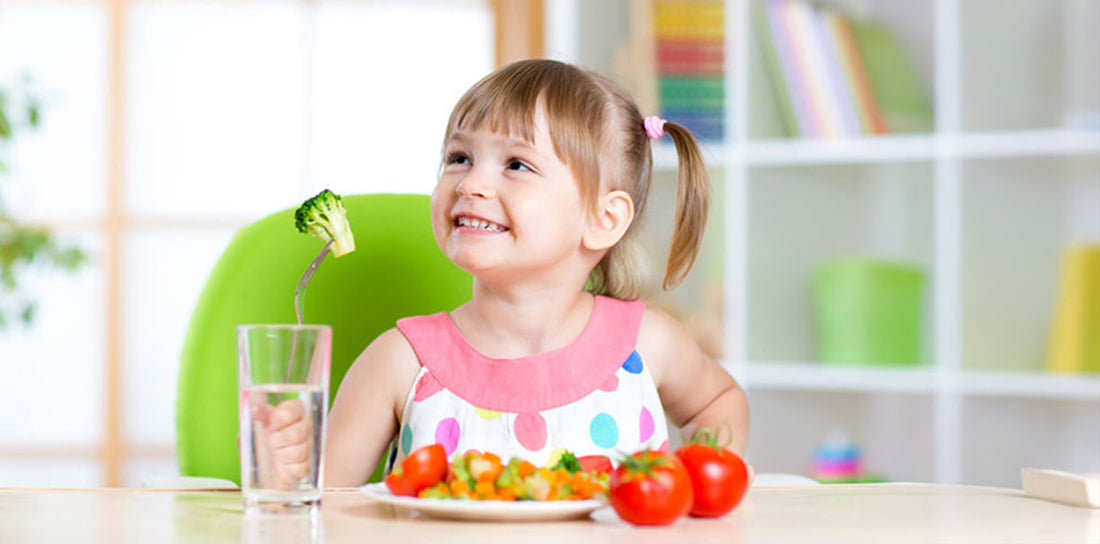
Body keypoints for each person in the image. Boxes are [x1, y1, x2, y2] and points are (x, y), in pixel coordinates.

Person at [276, 59, 750, 487]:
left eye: (517, 164)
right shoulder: (400, 362)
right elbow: (326, 504)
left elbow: (718, 402)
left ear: (602, 220)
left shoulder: (648, 344)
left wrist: (699, 481)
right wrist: (286, 468)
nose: (471, 183)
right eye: (459, 158)